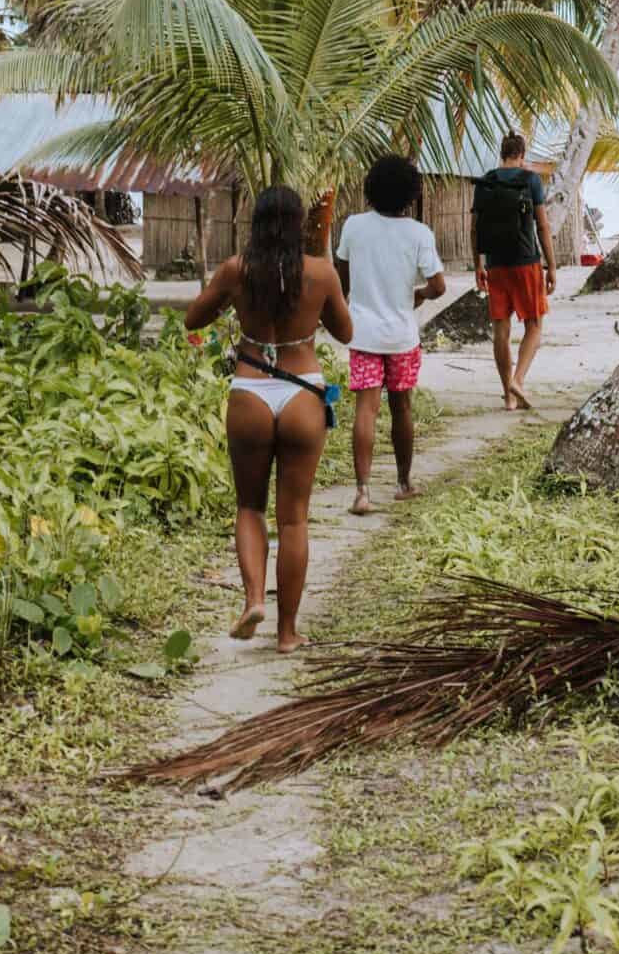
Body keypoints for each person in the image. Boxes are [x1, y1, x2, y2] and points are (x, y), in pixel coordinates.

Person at [184, 185, 352, 652]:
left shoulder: (237, 270)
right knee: (294, 520)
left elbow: (192, 320)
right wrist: (321, 270)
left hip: (251, 390)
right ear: (299, 225)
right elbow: (346, 330)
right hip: (302, 393)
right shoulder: (320, 273)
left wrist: (227, 297)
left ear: (254, 223)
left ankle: (254, 599)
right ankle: (286, 632)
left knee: (249, 507)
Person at [336, 154, 446, 514]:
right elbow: (439, 286)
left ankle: (362, 492)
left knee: (365, 411)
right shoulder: (419, 233)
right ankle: (403, 483)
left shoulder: (353, 226)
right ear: (411, 195)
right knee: (402, 407)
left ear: (371, 188)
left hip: (362, 333)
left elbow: (342, 281)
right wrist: (417, 295)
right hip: (401, 336)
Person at [471, 132, 557, 411]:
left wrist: (478, 265)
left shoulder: (486, 181)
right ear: (522, 154)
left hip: (496, 264)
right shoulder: (530, 179)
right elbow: (542, 226)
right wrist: (551, 266)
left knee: (501, 330)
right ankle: (518, 380)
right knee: (534, 325)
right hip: (526, 262)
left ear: (501, 153)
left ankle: (508, 397)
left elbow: (474, 229)